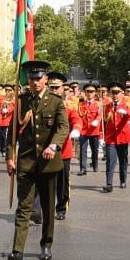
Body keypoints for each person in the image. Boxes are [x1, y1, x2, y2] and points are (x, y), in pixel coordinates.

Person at [6, 60, 70, 260]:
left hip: (48, 163)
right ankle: (17, 251)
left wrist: (54, 146)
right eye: (30, 79)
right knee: (24, 207)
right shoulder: (21, 101)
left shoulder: (56, 101)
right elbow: (12, 132)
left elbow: (62, 127)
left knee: (48, 207)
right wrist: (9, 156)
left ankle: (46, 244)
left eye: (37, 78)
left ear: (45, 79)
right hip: (25, 162)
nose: (33, 82)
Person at [48, 72, 82, 220]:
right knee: (43, 181)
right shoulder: (41, 104)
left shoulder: (68, 106)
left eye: (57, 87)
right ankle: (40, 209)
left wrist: (76, 130)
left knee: (62, 182)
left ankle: (61, 208)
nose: (54, 90)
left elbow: (77, 120)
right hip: (44, 148)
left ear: (63, 88)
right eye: (52, 87)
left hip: (63, 149)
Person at [102, 83, 130, 191]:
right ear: (110, 94)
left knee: (123, 160)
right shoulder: (107, 107)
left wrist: (125, 113)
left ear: (122, 93)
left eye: (117, 93)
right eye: (113, 93)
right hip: (111, 137)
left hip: (123, 136)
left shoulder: (127, 104)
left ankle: (123, 180)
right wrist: (101, 136)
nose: (115, 95)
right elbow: (104, 122)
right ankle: (109, 183)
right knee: (110, 160)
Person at [77, 84, 102, 175]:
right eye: (87, 91)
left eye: (91, 91)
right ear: (85, 93)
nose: (89, 93)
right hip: (83, 130)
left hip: (94, 130)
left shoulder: (98, 104)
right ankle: (83, 169)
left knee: (94, 149)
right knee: (82, 150)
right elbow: (78, 116)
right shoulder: (81, 104)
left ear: (95, 93)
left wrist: (97, 121)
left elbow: (100, 115)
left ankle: (95, 164)